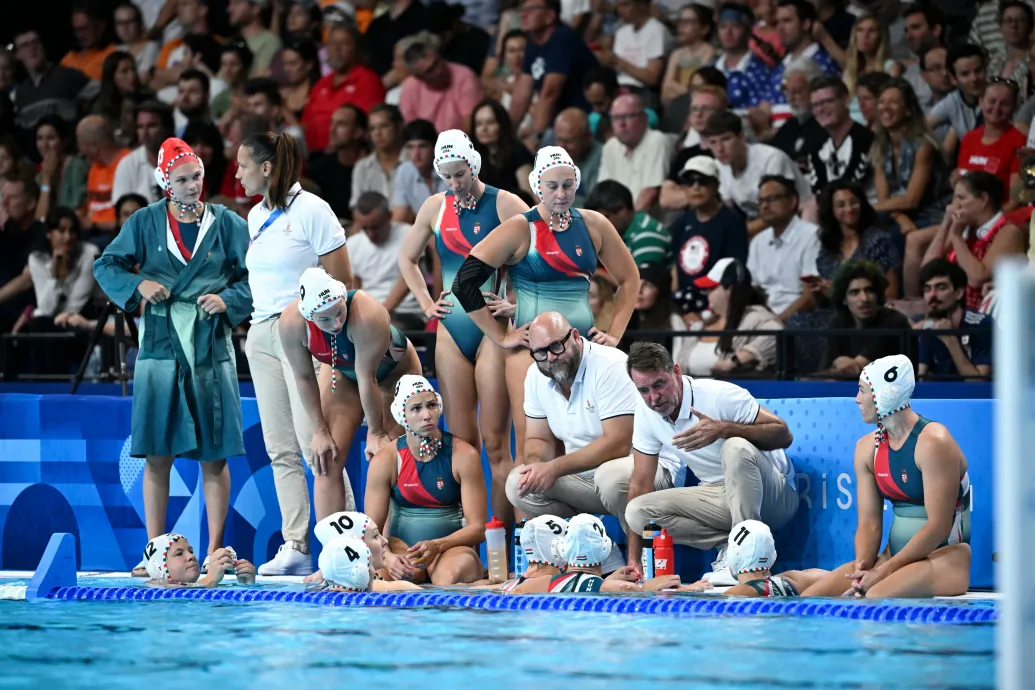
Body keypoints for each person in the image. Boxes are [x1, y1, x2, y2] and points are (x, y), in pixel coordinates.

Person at [95, 138, 251, 578]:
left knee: (214, 455)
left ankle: (216, 551)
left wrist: (229, 300)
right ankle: (154, 552)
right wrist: (139, 286)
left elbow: (254, 277)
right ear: (165, 183)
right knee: (157, 454)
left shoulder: (228, 224)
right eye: (181, 179)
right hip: (160, 348)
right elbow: (106, 265)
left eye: (197, 177)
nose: (191, 186)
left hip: (209, 348)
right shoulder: (144, 222)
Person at [451, 146, 640, 472]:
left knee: (586, 446)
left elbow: (630, 280)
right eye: (552, 186)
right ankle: (532, 525)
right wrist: (500, 337)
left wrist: (614, 333)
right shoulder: (520, 228)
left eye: (568, 185)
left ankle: (584, 521)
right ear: (538, 185)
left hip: (584, 350)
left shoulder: (594, 224)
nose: (561, 193)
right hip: (530, 352)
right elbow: (464, 283)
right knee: (534, 450)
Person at [398, 130, 529, 540]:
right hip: (452, 327)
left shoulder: (506, 203)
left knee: (494, 444)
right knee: (463, 445)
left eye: (460, 175)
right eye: (447, 177)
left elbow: (536, 254)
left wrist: (516, 303)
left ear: (474, 166)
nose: (455, 184)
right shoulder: (435, 207)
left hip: (492, 328)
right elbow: (406, 257)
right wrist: (424, 302)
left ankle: (507, 543)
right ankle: (468, 540)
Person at [236, 130, 354, 577]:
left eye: (243, 165)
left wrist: (332, 342)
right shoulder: (253, 217)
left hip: (304, 333)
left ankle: (344, 538)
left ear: (266, 168)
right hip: (261, 332)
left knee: (317, 444)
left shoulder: (313, 210)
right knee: (279, 448)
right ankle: (297, 543)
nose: (237, 173)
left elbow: (344, 283)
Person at [624, 341, 797, 586]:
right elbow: (640, 483)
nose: (653, 398)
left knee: (734, 447)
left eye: (659, 384)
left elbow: (783, 434)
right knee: (636, 513)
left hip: (774, 495)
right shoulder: (645, 413)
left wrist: (724, 429)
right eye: (643, 390)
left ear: (676, 372)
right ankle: (731, 544)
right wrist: (634, 560)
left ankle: (744, 558)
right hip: (718, 494)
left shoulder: (719, 396)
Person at [803, 355, 972, 598]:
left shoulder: (933, 442)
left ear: (885, 395)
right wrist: (862, 569)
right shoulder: (866, 449)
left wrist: (884, 572)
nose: (856, 399)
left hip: (945, 558)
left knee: (874, 597)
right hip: (894, 558)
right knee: (811, 598)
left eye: (862, 391)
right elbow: (869, 524)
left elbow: (938, 527)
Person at [503, 311, 658, 574]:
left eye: (555, 346)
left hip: (642, 470)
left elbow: (619, 443)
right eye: (540, 352)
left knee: (610, 478)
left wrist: (554, 468)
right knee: (519, 483)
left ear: (575, 336)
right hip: (585, 478)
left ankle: (642, 562)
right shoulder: (536, 376)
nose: (550, 358)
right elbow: (537, 438)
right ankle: (596, 554)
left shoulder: (610, 365)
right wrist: (537, 467)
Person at [280, 267, 421, 515]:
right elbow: (303, 378)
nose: (336, 324)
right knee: (326, 460)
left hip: (393, 374)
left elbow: (368, 377)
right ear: (308, 315)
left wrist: (376, 432)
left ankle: (386, 549)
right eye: (324, 319)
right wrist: (319, 430)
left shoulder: (368, 313)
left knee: (386, 461)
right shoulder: (292, 323)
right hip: (343, 374)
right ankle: (333, 550)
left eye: (339, 312)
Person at [364, 375, 489, 585]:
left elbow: (479, 528)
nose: (427, 415)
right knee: (380, 582)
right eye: (416, 408)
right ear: (401, 415)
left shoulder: (463, 455)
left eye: (431, 405)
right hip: (403, 551)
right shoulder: (385, 460)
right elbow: (369, 530)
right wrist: (388, 557)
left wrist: (438, 546)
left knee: (449, 578)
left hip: (450, 551)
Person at [509, 513, 682, 593]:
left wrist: (609, 580)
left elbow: (517, 592)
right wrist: (688, 588)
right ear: (606, 549)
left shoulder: (545, 583)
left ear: (563, 550)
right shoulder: (604, 587)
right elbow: (641, 590)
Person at [687, 520, 828, 596]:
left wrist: (682, 590)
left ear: (733, 556)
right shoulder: (795, 579)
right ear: (772, 555)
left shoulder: (736, 594)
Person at [917, 259, 993, 381]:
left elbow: (978, 384)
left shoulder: (981, 325)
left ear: (958, 293)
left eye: (941, 288)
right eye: (927, 289)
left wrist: (950, 340)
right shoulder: (929, 329)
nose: (932, 295)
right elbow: (921, 379)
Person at [307, 512, 421, 591]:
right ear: (357, 548)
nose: (384, 541)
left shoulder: (324, 585)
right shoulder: (395, 588)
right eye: (376, 536)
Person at [143, 533, 256, 588]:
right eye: (179, 554)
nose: (190, 556)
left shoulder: (196, 586)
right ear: (158, 568)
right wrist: (210, 579)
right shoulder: (155, 588)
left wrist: (247, 584)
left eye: (191, 551)